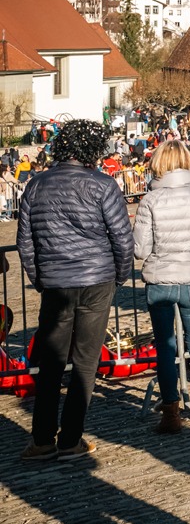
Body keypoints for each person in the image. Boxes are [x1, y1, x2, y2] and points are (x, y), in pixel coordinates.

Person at [17, 119, 134, 461]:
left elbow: (26, 243)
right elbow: (122, 239)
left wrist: (40, 278)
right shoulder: (103, 184)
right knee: (85, 362)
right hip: (97, 279)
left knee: (51, 364)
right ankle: (70, 439)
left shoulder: (36, 185)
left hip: (56, 281)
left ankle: (42, 440)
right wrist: (119, 276)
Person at [132, 140, 190, 432]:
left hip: (160, 279)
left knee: (164, 346)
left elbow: (140, 249)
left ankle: (170, 412)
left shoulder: (150, 201)